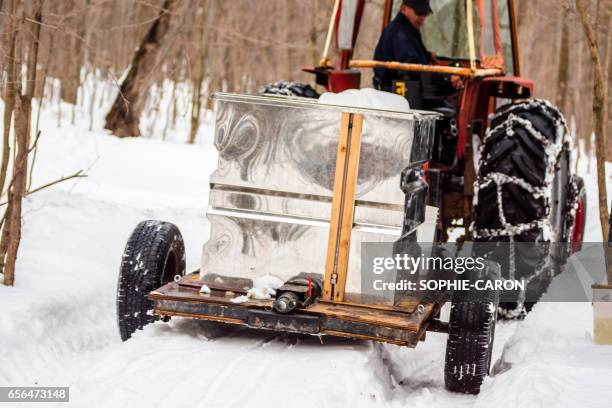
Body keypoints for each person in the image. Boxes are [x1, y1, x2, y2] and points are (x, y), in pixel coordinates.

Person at [373, 0, 436, 91]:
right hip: (394, 90)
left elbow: (412, 54)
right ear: (403, 9)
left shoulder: (409, 29)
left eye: (425, 13)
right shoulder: (399, 33)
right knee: (444, 105)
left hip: (405, 87)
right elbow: (411, 66)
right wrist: (446, 78)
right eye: (419, 12)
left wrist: (428, 56)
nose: (422, 17)